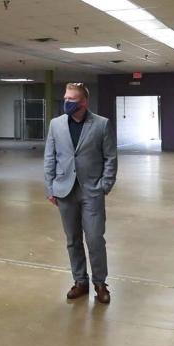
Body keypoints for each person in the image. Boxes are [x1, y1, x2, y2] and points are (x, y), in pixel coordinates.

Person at [44, 82, 117, 304]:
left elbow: (111, 158)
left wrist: (104, 185)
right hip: (64, 191)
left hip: (91, 191)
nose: (66, 102)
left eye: (71, 99)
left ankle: (100, 283)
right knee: (72, 240)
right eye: (65, 98)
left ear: (83, 102)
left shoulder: (101, 124)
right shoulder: (56, 124)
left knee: (95, 239)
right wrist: (50, 186)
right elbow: (50, 156)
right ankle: (80, 282)